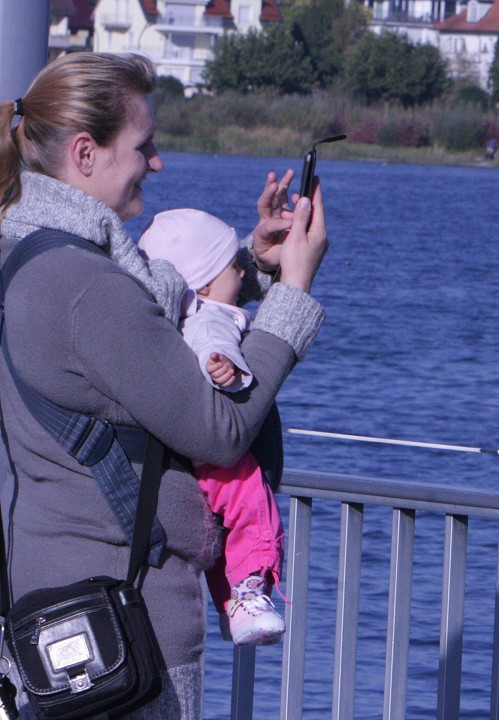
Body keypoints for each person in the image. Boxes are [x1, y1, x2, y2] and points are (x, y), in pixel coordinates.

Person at [0, 52, 327, 718]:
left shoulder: (31, 254)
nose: (158, 163)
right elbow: (221, 428)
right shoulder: (87, 286)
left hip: (62, 608)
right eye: (143, 147)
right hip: (124, 625)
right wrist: (293, 295)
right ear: (86, 153)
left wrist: (248, 272)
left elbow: (153, 327)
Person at [138, 208, 288, 647]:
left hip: (185, 449)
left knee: (228, 528)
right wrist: (226, 368)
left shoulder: (186, 314)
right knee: (251, 508)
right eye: (233, 267)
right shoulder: (211, 319)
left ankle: (236, 607)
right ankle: (246, 595)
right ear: (202, 285)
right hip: (216, 451)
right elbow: (213, 343)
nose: (243, 271)